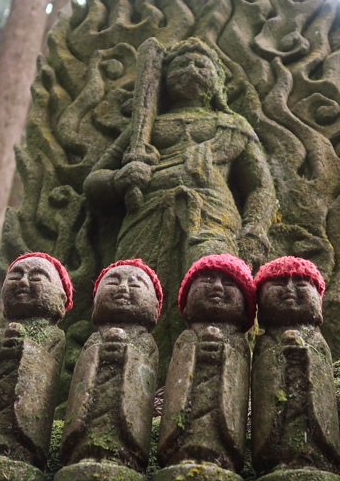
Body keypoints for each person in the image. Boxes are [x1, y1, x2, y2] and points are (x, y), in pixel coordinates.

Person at [83, 38, 275, 322]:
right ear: (164, 80)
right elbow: (93, 183)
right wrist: (119, 180)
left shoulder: (233, 125)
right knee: (135, 291)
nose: (191, 69)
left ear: (219, 83)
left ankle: (212, 352)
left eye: (201, 64)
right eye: (181, 64)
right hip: (146, 217)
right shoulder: (146, 128)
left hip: (212, 217)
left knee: (214, 286)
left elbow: (260, 187)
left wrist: (254, 232)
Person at [0, 252, 72, 481]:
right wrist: (0, 354)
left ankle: (20, 451)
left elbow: (46, 373)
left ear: (59, 299)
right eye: (15, 276)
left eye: (37, 278)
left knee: (16, 435)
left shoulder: (54, 335)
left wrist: (24, 350)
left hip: (24, 407)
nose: (24, 282)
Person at [56, 259, 162, 481]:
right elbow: (83, 374)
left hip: (124, 412)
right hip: (94, 403)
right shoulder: (94, 338)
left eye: (135, 285)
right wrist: (98, 354)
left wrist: (127, 356)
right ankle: (82, 453)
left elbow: (144, 381)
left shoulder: (147, 341)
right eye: (113, 282)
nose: (123, 288)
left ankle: (123, 456)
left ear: (154, 306)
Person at [155, 254, 256, 481]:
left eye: (229, 283)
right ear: (187, 306)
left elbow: (237, 384)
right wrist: (195, 354)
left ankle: (224, 457)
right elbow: (180, 374)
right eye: (207, 280)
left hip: (221, 419)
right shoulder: (187, 337)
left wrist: (224, 357)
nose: (218, 287)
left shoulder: (239, 343)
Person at [250, 256, 340, 481]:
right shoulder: (265, 342)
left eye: (301, 284)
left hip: (312, 419)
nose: (290, 289)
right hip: (279, 423)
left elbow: (322, 379)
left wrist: (304, 357)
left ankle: (319, 458)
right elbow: (264, 382)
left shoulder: (318, 340)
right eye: (279, 284)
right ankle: (276, 461)